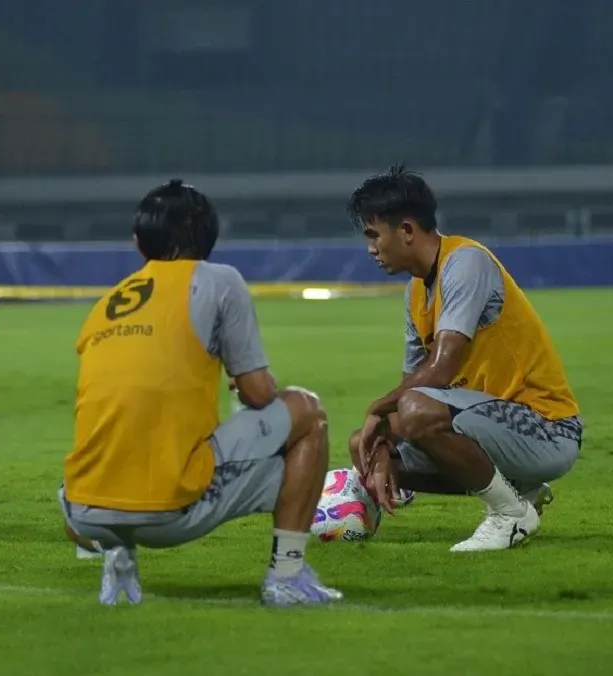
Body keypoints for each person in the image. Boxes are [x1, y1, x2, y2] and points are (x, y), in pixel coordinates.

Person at [58, 179, 342, 607]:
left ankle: (119, 560)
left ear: (139, 243)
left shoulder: (108, 302)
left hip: (81, 515)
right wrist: (244, 380)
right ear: (209, 237)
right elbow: (259, 393)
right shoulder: (220, 280)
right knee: (308, 413)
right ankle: (287, 576)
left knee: (124, 432)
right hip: (166, 515)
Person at [345, 164, 583, 552]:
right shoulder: (415, 293)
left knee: (414, 410)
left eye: (374, 235)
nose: (370, 248)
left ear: (406, 230)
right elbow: (414, 386)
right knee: (363, 446)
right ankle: (520, 490)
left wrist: (377, 409)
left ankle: (510, 514)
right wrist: (382, 443)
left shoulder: (466, 262)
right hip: (490, 424)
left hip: (546, 427)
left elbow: (439, 372)